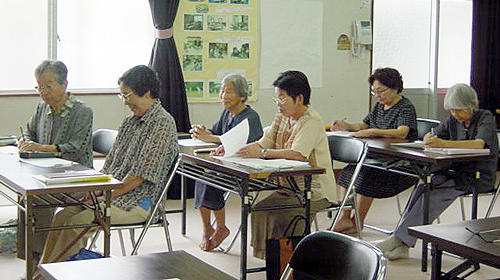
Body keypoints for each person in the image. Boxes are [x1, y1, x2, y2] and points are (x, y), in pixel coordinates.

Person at [37, 65, 179, 265]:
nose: (126, 102)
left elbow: (136, 178)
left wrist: (101, 195)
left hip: (141, 201)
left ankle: (53, 274)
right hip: (115, 193)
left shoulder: (162, 124)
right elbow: (109, 166)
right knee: (62, 217)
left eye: (127, 95)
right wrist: (93, 190)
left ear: (147, 93)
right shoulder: (130, 122)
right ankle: (43, 271)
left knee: (78, 222)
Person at [375, 83, 498, 260]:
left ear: (472, 105)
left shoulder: (485, 117)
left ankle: (398, 238)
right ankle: (403, 243)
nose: (455, 115)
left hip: (477, 176)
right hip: (453, 172)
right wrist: (429, 138)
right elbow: (436, 134)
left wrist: (443, 144)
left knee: (434, 195)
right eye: (452, 111)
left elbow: (479, 144)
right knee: (422, 188)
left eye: (459, 110)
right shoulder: (454, 120)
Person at [236, 70, 337, 259]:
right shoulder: (282, 117)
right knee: (259, 210)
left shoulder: (312, 121)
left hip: (315, 191)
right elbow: (263, 142)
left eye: (282, 99)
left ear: (299, 98)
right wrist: (235, 150)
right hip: (289, 188)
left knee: (282, 214)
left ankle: (289, 259)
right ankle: (272, 259)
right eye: (277, 99)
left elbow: (297, 154)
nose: (279, 104)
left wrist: (264, 154)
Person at [17, 60, 93, 263]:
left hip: (76, 179)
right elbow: (28, 131)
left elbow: (74, 149)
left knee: (36, 199)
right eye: (39, 87)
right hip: (46, 176)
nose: (43, 92)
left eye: (48, 86)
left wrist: (43, 149)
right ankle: (31, 257)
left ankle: (42, 260)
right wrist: (26, 141)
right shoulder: (43, 108)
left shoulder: (82, 111)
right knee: (24, 196)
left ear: (64, 84)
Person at [330, 67, 418, 234]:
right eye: (374, 91)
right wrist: (346, 125)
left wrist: (373, 132)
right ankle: (344, 218)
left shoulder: (405, 107)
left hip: (400, 163)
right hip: (378, 159)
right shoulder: (379, 106)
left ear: (394, 88)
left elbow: (402, 132)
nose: (378, 95)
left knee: (367, 176)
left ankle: (358, 221)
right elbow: (364, 125)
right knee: (348, 172)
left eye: (381, 91)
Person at [190, 74, 263, 251]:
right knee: (201, 177)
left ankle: (221, 227)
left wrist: (214, 137)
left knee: (211, 181)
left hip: (244, 169)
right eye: (222, 91)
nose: (223, 95)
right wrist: (202, 131)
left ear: (242, 95)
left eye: (229, 91)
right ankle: (207, 228)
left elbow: (245, 145)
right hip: (226, 165)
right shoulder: (226, 113)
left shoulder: (250, 117)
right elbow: (216, 133)